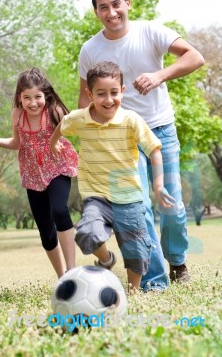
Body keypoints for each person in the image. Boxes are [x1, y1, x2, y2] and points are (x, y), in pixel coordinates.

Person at [78, 0, 205, 290]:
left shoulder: (151, 30)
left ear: (127, 3)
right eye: (103, 7)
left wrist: (160, 75)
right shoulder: (90, 49)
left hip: (161, 131)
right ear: (96, 11)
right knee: (138, 210)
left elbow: (195, 57)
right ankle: (154, 278)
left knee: (171, 205)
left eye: (116, 4)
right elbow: (85, 99)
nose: (111, 12)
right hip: (121, 140)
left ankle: (177, 261)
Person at [50, 61, 174, 290]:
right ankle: (106, 259)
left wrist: (158, 185)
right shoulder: (80, 118)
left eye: (114, 93)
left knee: (136, 249)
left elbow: (155, 150)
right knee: (87, 234)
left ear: (122, 92)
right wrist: (53, 143)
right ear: (89, 94)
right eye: (101, 94)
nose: (108, 100)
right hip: (96, 195)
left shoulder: (131, 120)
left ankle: (134, 291)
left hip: (129, 196)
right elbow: (62, 125)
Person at [0, 67, 78, 278]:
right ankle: (62, 277)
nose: (33, 102)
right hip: (33, 175)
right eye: (26, 97)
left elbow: (74, 128)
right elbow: (16, 143)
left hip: (57, 168)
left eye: (37, 97)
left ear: (45, 95)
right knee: (46, 232)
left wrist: (56, 141)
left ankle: (73, 271)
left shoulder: (55, 111)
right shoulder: (18, 115)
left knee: (59, 210)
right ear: (20, 98)